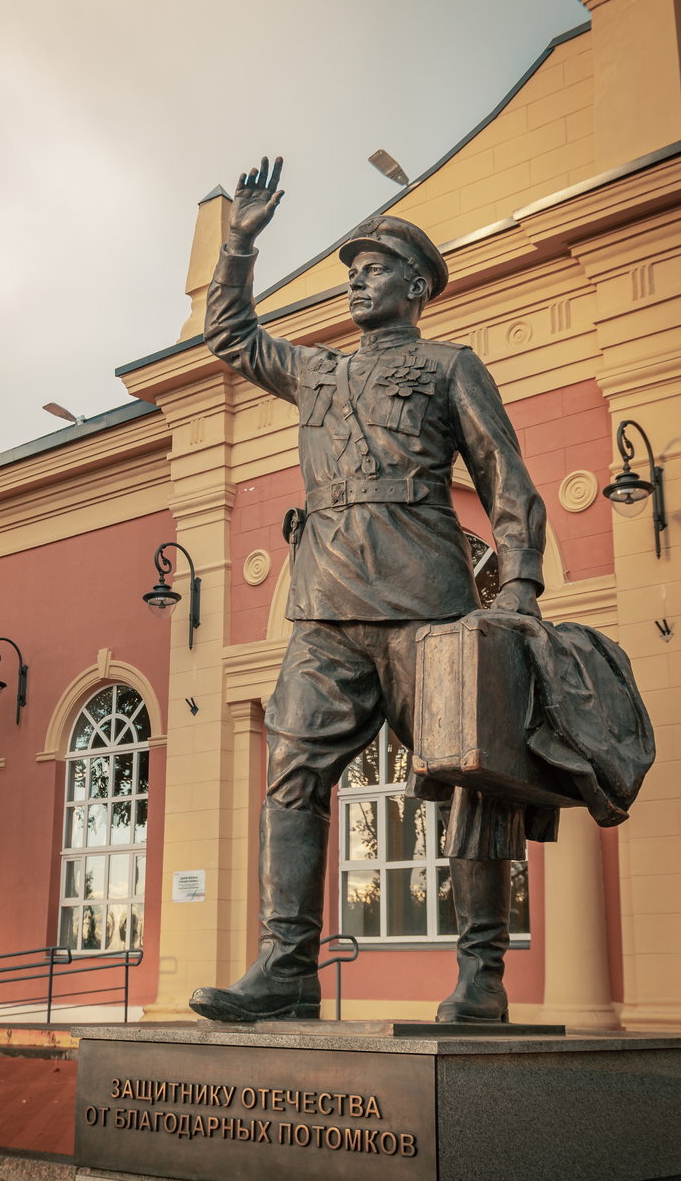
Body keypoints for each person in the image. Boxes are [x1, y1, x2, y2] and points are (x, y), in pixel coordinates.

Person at [189, 157, 546, 1024]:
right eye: (351, 271)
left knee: (474, 779)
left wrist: (522, 583)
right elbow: (230, 336)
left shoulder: (448, 365)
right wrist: (237, 248)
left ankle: (481, 975)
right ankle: (287, 966)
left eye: (376, 268)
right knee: (291, 775)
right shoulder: (313, 372)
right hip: (324, 612)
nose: (358, 282)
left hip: (429, 604)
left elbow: (504, 475)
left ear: (416, 286)